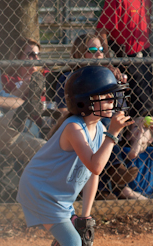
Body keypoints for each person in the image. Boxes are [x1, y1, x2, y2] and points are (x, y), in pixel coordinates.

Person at [17, 66, 133, 246]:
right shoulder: (74, 127)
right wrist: (113, 134)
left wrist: (85, 214)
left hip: (58, 195)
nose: (112, 102)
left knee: (81, 236)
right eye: (104, 97)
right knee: (72, 243)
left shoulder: (98, 128)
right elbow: (95, 165)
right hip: (40, 191)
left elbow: (93, 175)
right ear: (83, 102)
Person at [55, 33, 138, 194]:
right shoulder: (69, 78)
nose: (99, 54)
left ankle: (104, 190)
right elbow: (64, 111)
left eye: (101, 49)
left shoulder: (108, 77)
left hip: (105, 125)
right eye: (92, 49)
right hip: (80, 125)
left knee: (106, 123)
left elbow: (121, 109)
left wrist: (118, 87)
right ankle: (116, 169)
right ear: (79, 53)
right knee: (102, 124)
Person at [96, 0, 153, 118]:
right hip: (125, 58)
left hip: (144, 57)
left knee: (144, 107)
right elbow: (102, 31)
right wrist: (109, 61)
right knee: (139, 110)